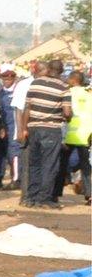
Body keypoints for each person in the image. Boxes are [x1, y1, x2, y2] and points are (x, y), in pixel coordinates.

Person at [19, 60, 71, 209]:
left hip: (33, 128)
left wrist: (24, 128)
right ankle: (44, 199)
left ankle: (31, 198)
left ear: (48, 69)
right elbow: (67, 113)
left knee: (34, 164)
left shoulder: (35, 83)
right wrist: (68, 116)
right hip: (51, 129)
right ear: (61, 71)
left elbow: (27, 107)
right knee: (50, 165)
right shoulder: (64, 87)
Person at [63, 69, 92, 203]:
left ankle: (56, 193)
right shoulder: (89, 95)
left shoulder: (67, 93)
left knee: (62, 164)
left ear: (73, 80)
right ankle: (89, 193)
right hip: (85, 135)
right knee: (85, 167)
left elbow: (66, 113)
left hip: (69, 135)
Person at [0, 67, 18, 188]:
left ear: (14, 79)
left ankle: (16, 179)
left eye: (9, 79)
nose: (7, 81)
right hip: (0, 126)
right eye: (4, 78)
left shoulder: (17, 92)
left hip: (13, 126)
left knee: (13, 153)